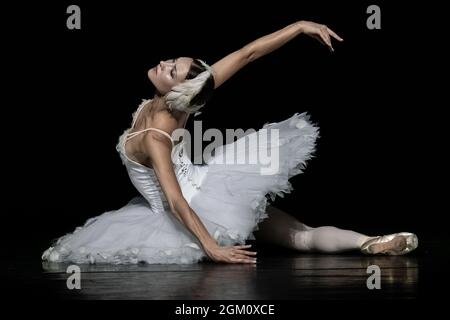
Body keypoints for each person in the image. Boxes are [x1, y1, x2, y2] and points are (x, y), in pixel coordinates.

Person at [42, 20, 418, 265]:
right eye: (171, 62)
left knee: (298, 237)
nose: (164, 63)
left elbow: (174, 201)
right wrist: (299, 26)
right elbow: (246, 54)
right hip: (216, 191)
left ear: (183, 91)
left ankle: (372, 241)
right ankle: (368, 241)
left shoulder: (157, 133)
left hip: (193, 213)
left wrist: (211, 246)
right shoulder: (182, 101)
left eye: (171, 68)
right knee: (298, 237)